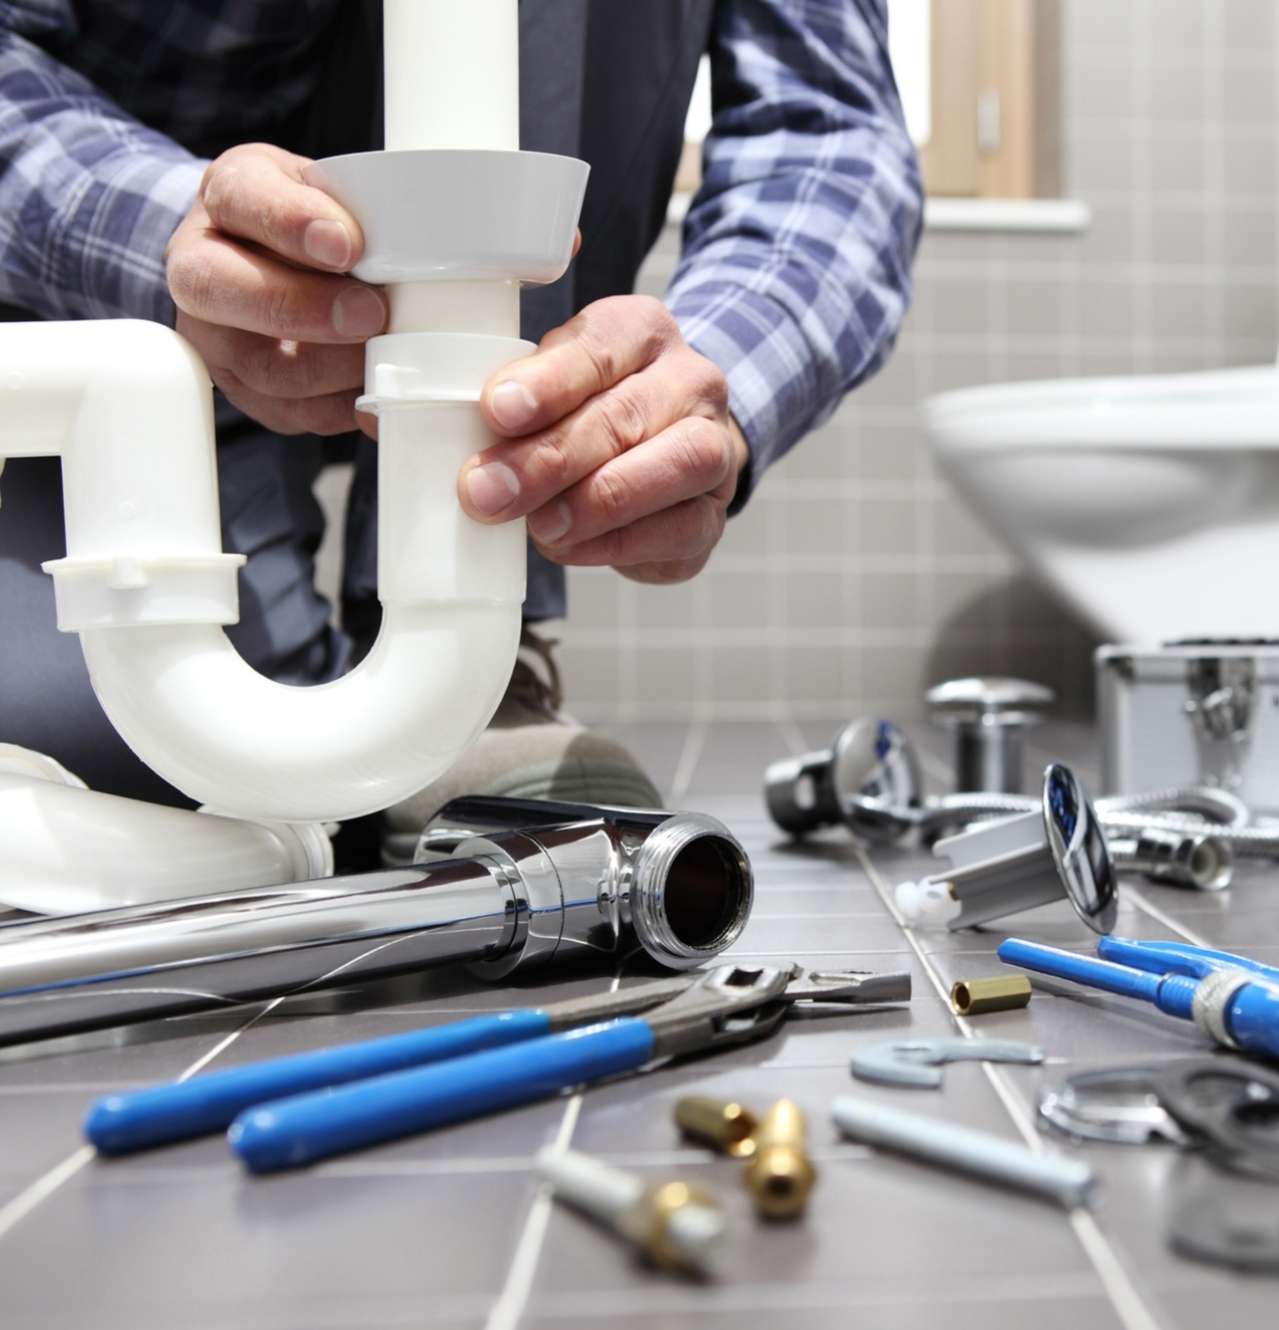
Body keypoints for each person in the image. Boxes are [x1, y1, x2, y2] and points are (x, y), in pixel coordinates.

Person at [0, 1, 922, 858]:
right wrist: (170, 232)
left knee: (260, 790)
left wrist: (688, 383)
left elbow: (831, 130)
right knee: (102, 748)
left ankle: (462, 654)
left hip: (478, 346)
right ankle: (345, 673)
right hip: (90, 332)